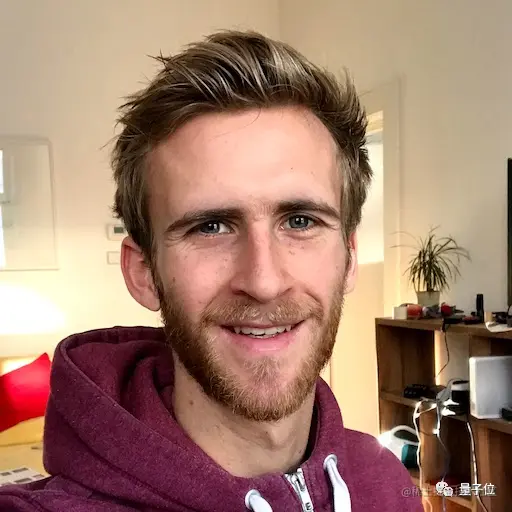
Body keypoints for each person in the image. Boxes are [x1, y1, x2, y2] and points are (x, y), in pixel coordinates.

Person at [0, 30, 423, 511]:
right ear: (143, 272)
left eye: (300, 221)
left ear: (349, 256)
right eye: (211, 226)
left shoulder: (386, 482)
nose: (264, 282)